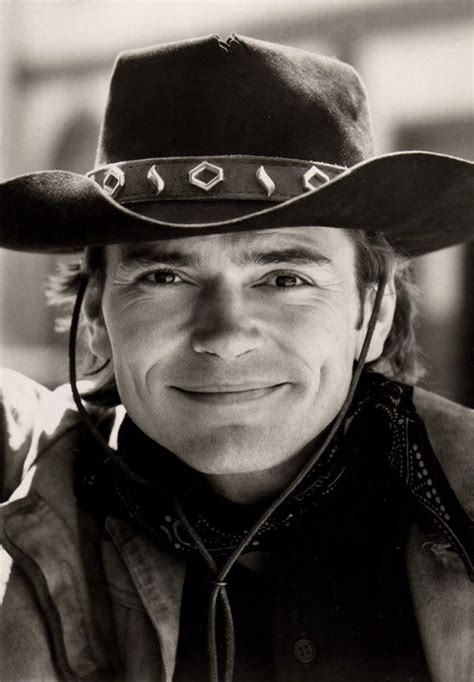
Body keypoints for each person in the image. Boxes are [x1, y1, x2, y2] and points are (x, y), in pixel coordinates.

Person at [0, 34, 473, 682]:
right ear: (94, 318)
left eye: (284, 279)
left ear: (376, 311)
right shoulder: (34, 525)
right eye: (165, 278)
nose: (224, 336)